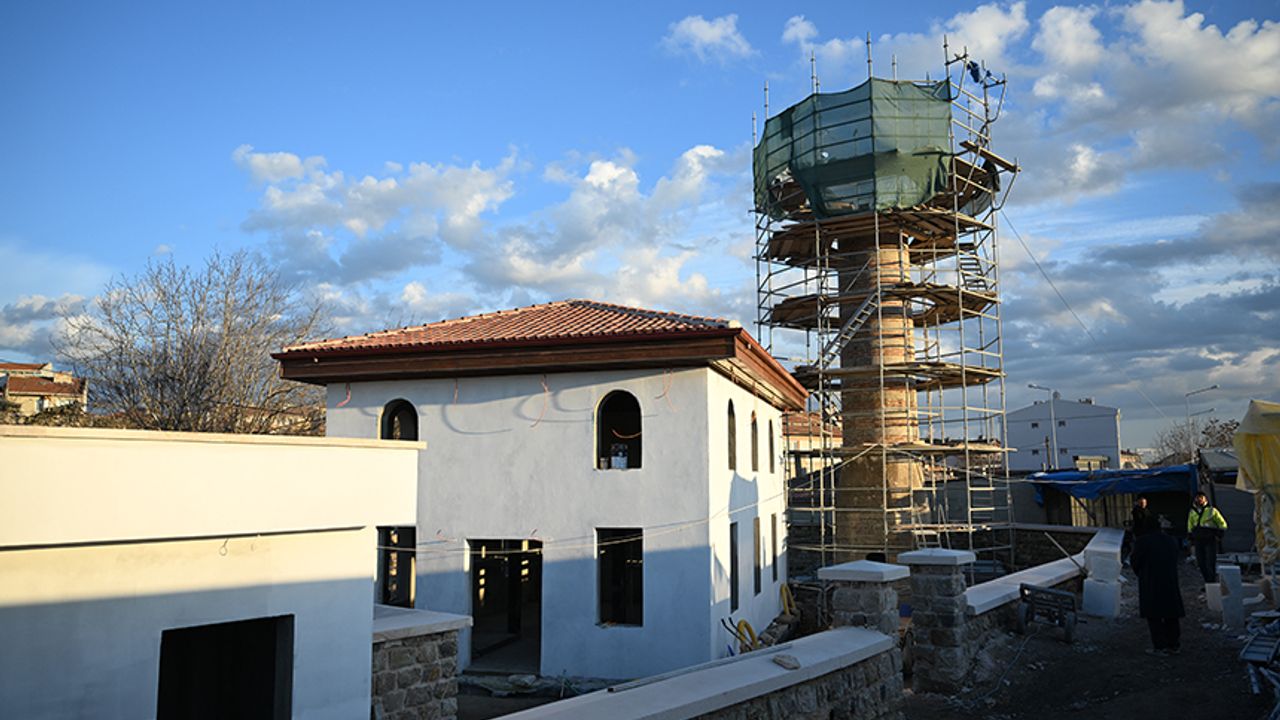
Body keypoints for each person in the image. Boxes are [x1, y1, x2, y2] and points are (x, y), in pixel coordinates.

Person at [1131, 518, 1184, 655]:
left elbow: (1135, 561)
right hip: (1169, 580)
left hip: (1151, 580)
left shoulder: (1142, 541)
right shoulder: (1170, 540)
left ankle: (1159, 646)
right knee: (1171, 614)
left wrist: (1141, 573)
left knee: (1154, 615)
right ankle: (1174, 644)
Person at [1186, 491, 1228, 584]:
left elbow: (1223, 524)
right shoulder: (1192, 512)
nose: (1199, 500)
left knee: (1210, 562)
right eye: (1197, 498)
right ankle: (1207, 582)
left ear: (1205, 499)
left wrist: (1218, 535)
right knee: (1201, 563)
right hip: (1198, 539)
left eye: (1201, 498)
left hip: (1210, 539)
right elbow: (1190, 526)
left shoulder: (1212, 511)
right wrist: (1191, 538)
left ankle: (1211, 582)